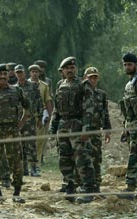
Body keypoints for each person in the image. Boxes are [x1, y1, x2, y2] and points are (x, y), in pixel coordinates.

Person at [49, 57, 95, 203]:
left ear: (76, 69)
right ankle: (69, 187)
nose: (70, 70)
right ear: (62, 70)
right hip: (63, 126)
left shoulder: (83, 84)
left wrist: (86, 129)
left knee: (82, 158)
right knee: (64, 157)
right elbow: (56, 108)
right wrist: (52, 127)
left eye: (72, 68)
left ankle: (88, 188)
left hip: (77, 124)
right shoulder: (59, 85)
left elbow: (89, 108)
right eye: (67, 68)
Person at [0, 63, 29, 203]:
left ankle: (16, 193)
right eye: (0, 74)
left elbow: (27, 107)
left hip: (13, 131)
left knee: (16, 162)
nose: (3, 76)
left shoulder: (16, 90)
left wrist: (22, 122)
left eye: (5, 74)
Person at [118, 53, 137, 200]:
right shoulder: (129, 83)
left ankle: (130, 187)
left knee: (135, 156)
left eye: (129, 64)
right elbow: (128, 109)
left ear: (136, 65)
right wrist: (126, 127)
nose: (127, 67)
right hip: (132, 125)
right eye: (125, 64)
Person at [83, 67, 111, 193]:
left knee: (96, 158)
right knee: (83, 157)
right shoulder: (81, 93)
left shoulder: (101, 94)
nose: (93, 80)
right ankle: (84, 184)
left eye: (95, 77)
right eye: (90, 77)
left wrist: (107, 129)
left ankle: (96, 185)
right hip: (83, 131)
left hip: (96, 131)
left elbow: (105, 113)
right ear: (85, 78)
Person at [15, 64, 43, 176]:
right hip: (18, 121)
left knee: (31, 143)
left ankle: (34, 168)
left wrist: (40, 117)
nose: (19, 74)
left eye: (21, 72)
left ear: (24, 73)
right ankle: (24, 168)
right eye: (17, 73)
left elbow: (39, 101)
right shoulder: (14, 88)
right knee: (20, 144)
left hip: (30, 119)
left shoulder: (33, 86)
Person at [28, 64, 53, 176]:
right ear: (30, 73)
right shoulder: (24, 85)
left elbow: (47, 101)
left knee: (39, 141)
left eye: (36, 71)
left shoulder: (44, 86)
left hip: (40, 115)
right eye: (32, 71)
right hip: (27, 115)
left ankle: (37, 165)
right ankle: (28, 166)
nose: (34, 73)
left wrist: (50, 115)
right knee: (27, 141)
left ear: (39, 73)